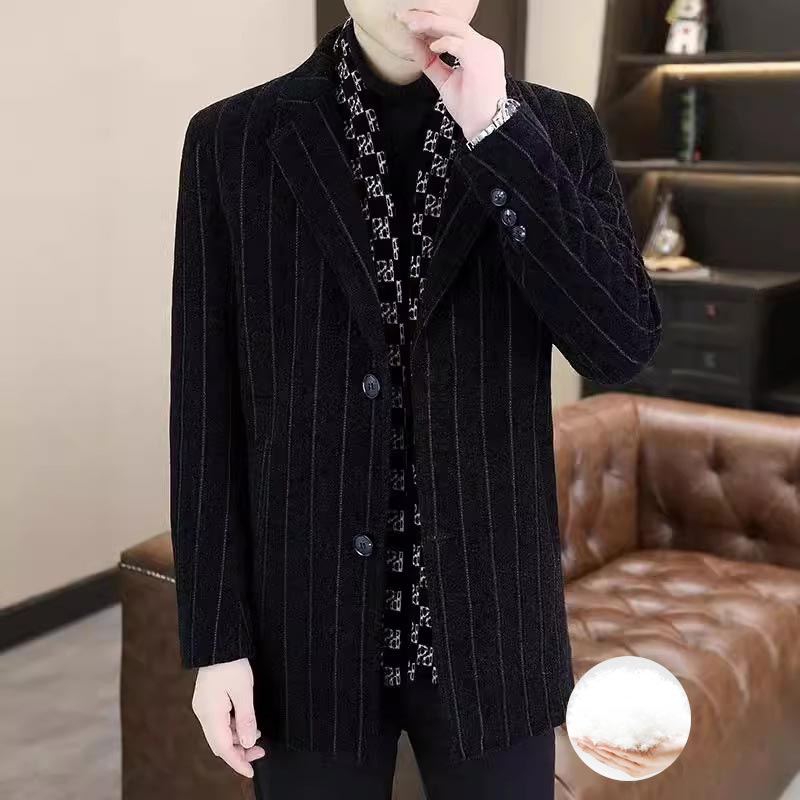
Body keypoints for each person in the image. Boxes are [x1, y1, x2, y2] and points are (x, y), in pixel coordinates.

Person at [168, 2, 662, 798]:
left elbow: (621, 344)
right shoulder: (233, 139)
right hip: (306, 629)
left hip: (493, 629)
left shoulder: (556, 130)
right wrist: (216, 641)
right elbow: (204, 411)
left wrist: (499, 136)